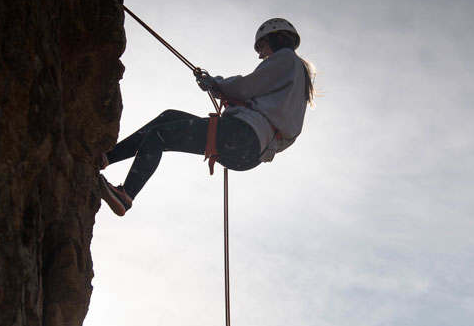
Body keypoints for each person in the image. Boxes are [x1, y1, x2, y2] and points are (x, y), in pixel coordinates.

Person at [100, 18, 315, 215]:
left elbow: (247, 86)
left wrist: (216, 82)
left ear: (277, 39)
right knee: (168, 117)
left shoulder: (285, 58)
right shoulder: (297, 84)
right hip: (249, 151)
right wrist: (217, 89)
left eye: (262, 47)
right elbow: (259, 104)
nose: (260, 55)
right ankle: (107, 157)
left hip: (242, 134)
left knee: (159, 135)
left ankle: (126, 194)